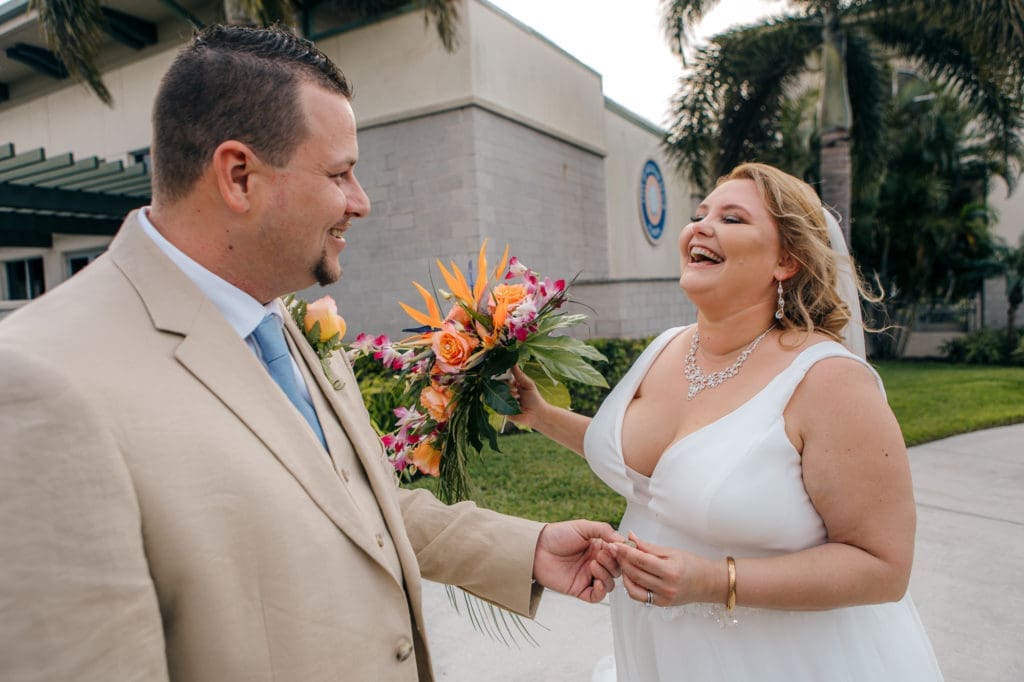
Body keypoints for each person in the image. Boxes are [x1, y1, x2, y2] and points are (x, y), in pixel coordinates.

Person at [0, 25, 621, 682]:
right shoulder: (45, 384)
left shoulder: (279, 320)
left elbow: (353, 506)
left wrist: (525, 548)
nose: (362, 201)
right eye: (340, 173)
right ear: (239, 176)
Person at [510, 163, 944, 680]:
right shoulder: (666, 347)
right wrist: (539, 415)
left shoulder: (828, 380)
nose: (701, 226)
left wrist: (717, 581)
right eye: (699, 215)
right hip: (654, 656)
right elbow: (648, 466)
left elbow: (884, 568)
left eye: (732, 218)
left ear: (785, 259)